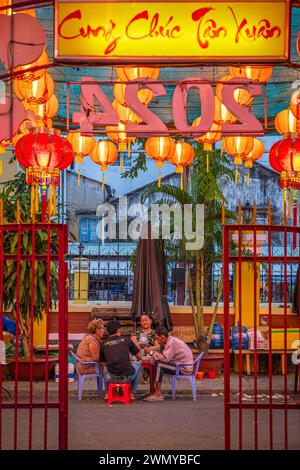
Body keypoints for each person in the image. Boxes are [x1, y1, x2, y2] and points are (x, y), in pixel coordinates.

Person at [144, 326, 194, 401]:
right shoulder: (169, 340)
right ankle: (155, 391)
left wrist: (151, 353)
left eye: (157, 338)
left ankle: (158, 393)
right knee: (157, 363)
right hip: (179, 364)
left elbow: (165, 359)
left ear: (163, 337)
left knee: (159, 365)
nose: (156, 341)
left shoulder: (171, 342)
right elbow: (164, 356)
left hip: (184, 368)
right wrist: (154, 355)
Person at [100, 319, 142, 400]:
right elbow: (140, 357)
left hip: (110, 378)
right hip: (127, 378)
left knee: (105, 366)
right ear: (119, 330)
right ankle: (131, 393)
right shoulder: (127, 340)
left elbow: (102, 362)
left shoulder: (103, 343)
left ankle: (107, 393)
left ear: (108, 332)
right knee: (139, 364)